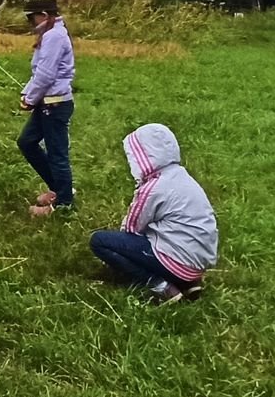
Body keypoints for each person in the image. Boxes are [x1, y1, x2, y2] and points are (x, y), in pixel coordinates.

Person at [88, 124, 216, 304]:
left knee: (100, 241)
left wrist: (121, 251)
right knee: (169, 234)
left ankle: (160, 286)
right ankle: (189, 283)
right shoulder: (184, 177)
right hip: (198, 263)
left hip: (176, 261)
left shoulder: (154, 187)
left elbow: (132, 228)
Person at [19, 0, 77, 216]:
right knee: (27, 142)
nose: (30, 22)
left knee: (57, 154)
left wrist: (29, 99)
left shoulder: (54, 36)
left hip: (55, 104)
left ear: (43, 14)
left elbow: (45, 75)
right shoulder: (52, 33)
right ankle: (60, 189)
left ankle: (63, 203)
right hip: (47, 102)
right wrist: (28, 94)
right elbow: (41, 73)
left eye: (31, 16)